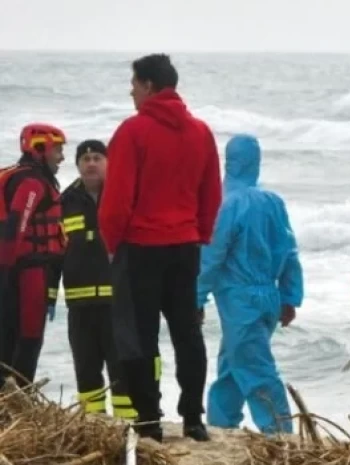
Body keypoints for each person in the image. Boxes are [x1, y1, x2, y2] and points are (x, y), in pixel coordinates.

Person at [100, 53, 222, 443]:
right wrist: (200, 234)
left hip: (140, 247)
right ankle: (193, 418)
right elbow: (211, 193)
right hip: (185, 246)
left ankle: (149, 420)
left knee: (138, 336)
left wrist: (110, 242)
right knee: (187, 332)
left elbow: (117, 197)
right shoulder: (201, 132)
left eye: (134, 83)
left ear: (149, 86)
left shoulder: (133, 132)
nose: (131, 91)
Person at [196, 135, 303, 435]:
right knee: (232, 365)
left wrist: (196, 297)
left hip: (239, 299)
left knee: (255, 369)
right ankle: (221, 425)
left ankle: (280, 434)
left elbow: (212, 256)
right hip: (269, 295)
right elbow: (289, 252)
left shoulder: (225, 203)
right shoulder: (272, 202)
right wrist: (290, 297)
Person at [52, 139, 136, 419]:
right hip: (80, 305)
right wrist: (49, 294)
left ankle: (129, 425)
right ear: (77, 165)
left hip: (119, 302)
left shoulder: (123, 196)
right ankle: (93, 424)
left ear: (109, 163)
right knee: (86, 371)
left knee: (123, 369)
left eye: (97, 158)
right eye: (85, 159)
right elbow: (54, 253)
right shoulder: (64, 202)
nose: (91, 163)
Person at [0, 124, 67, 386]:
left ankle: (6, 400)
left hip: (15, 270)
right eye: (58, 150)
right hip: (26, 271)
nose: (61, 157)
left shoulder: (15, 175)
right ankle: (20, 397)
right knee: (28, 337)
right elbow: (19, 223)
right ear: (40, 148)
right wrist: (6, 275)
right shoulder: (31, 182)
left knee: (8, 336)